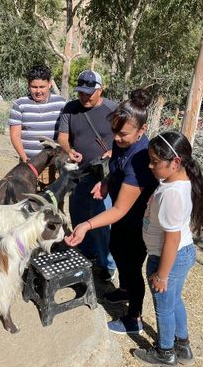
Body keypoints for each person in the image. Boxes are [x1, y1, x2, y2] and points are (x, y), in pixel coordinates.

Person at [65, 88, 158, 334]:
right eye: (114, 131)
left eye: (123, 134)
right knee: (116, 249)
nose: (116, 138)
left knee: (131, 265)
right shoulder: (122, 143)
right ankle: (124, 290)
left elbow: (119, 209)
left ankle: (134, 318)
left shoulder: (141, 159)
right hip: (123, 218)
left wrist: (86, 225)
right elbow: (116, 167)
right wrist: (106, 182)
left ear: (142, 131)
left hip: (137, 222)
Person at [134, 130, 203, 366]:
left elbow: (172, 240)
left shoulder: (172, 194)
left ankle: (165, 352)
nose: (150, 166)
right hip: (180, 255)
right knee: (174, 301)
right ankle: (182, 346)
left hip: (168, 259)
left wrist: (162, 275)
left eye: (155, 161)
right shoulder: (176, 182)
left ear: (175, 162)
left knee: (164, 307)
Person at [58, 69, 117, 281]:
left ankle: (107, 265)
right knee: (78, 215)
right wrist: (68, 150)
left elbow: (126, 138)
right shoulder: (70, 108)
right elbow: (62, 137)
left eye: (89, 93)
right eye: (81, 93)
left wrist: (112, 153)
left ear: (101, 90)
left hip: (104, 176)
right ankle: (86, 254)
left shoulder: (113, 110)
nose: (84, 97)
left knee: (102, 222)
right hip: (79, 174)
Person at [8, 64, 66, 186]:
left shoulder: (62, 104)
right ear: (28, 85)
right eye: (34, 87)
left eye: (42, 87)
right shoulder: (20, 104)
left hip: (53, 167)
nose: (38, 91)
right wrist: (25, 160)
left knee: (52, 197)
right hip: (28, 166)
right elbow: (15, 135)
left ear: (49, 84)